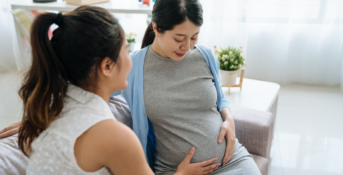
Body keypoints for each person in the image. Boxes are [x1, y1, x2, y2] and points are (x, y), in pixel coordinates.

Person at [0, 6, 220, 175]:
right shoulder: (115, 137)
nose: (131, 57)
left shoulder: (54, 106)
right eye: (126, 49)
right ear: (107, 66)